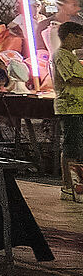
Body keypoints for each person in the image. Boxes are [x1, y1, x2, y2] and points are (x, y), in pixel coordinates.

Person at [53, 20, 83, 201]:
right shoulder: (61, 55)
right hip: (70, 106)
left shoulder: (71, 56)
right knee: (71, 145)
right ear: (70, 36)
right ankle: (68, 185)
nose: (81, 42)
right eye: (80, 38)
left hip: (79, 106)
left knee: (78, 145)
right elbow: (71, 79)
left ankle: (76, 183)